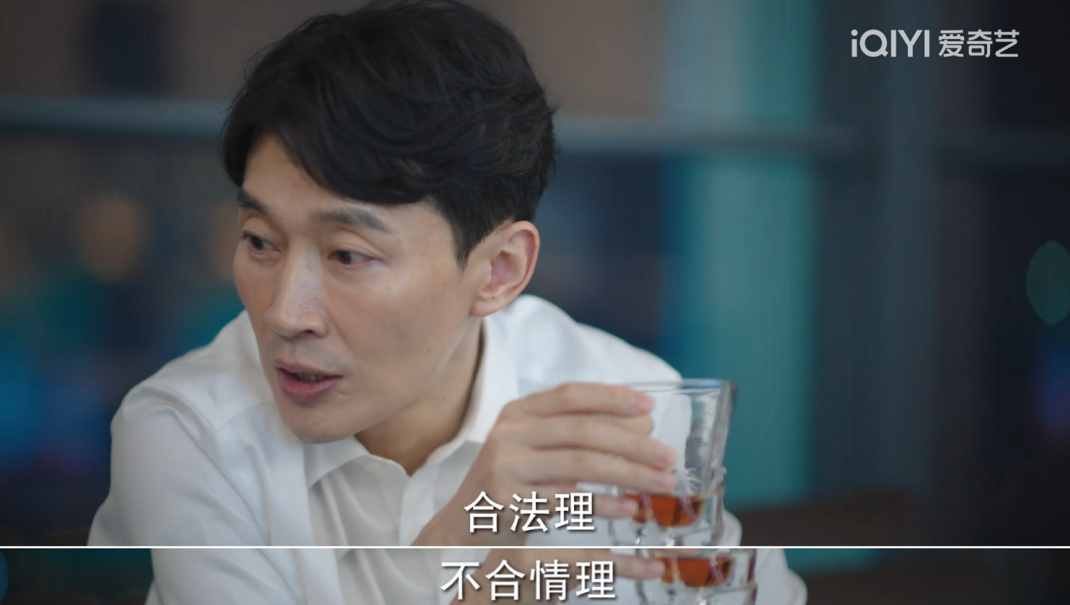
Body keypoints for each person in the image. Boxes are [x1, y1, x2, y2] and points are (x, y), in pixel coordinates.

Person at [88, 1, 806, 603]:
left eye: (346, 255)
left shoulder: (622, 411)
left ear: (498, 270)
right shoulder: (187, 434)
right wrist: (461, 550)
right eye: (259, 240)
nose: (285, 313)